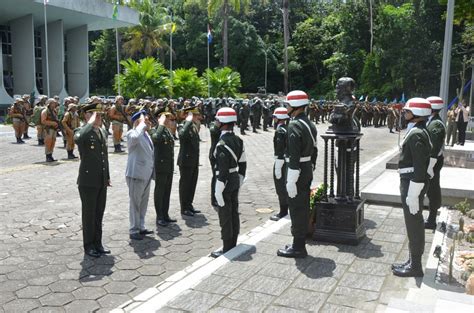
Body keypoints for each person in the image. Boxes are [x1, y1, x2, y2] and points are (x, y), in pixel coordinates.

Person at [391, 98, 431, 277]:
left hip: (412, 182)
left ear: (417, 114)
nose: (404, 113)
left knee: (414, 222)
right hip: (411, 180)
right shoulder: (417, 130)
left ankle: (415, 266)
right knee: (412, 221)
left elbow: (420, 166)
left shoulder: (416, 134)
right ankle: (412, 260)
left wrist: (413, 193)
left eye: (407, 110)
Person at [277, 90, 317, 258]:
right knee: (303, 204)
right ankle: (298, 243)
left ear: (294, 106)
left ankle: (298, 246)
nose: (286, 107)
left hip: (297, 170)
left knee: (296, 207)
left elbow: (293, 154)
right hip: (306, 167)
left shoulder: (294, 125)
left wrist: (291, 180)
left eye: (287, 104)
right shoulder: (309, 123)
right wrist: (310, 166)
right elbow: (314, 150)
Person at [74, 102, 111, 258]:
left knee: (99, 213)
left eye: (100, 115)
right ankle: (88, 245)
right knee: (89, 215)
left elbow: (104, 157)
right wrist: (89, 123)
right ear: (87, 116)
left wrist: (107, 176)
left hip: (101, 180)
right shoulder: (81, 131)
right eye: (95, 114)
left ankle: (98, 242)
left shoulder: (101, 131)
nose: (99, 117)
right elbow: (78, 139)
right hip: (87, 181)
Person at [211, 107, 247, 258]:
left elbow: (223, 169)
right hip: (234, 179)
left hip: (224, 181)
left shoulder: (222, 144)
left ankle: (227, 246)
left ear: (223, 122)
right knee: (234, 211)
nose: (216, 122)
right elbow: (243, 162)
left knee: (225, 213)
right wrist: (240, 178)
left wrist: (218, 188)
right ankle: (234, 240)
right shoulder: (238, 140)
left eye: (218, 120)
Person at [125, 110, 155, 240]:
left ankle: (141, 226)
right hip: (136, 174)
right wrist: (141, 123)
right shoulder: (132, 133)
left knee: (143, 202)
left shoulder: (146, 135)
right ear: (138, 122)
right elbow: (135, 138)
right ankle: (133, 229)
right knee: (135, 203)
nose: (147, 123)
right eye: (145, 120)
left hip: (146, 173)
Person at [151, 110, 177, 227]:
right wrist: (161, 125)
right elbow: (156, 139)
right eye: (165, 118)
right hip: (160, 166)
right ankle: (159, 216)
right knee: (160, 191)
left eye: (168, 117)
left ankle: (165, 214)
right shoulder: (155, 129)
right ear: (159, 118)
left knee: (167, 191)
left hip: (168, 165)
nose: (168, 120)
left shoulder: (166, 130)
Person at [425, 96, 446, 230]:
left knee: (432, 189)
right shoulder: (432, 121)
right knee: (430, 188)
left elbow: (435, 148)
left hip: (433, 161)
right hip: (432, 161)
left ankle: (432, 219)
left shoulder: (436, 124)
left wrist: (430, 167)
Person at [177, 106, 202, 217]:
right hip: (186, 161)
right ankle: (184, 207)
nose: (198, 117)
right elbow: (182, 136)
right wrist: (187, 121)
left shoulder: (193, 126)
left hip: (193, 160)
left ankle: (189, 204)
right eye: (195, 115)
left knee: (192, 184)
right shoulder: (183, 125)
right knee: (185, 185)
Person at [270, 107, 289, 221]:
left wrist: (277, 165)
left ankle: (283, 211)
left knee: (280, 186)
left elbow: (279, 149)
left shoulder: (280, 131)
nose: (274, 119)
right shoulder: (287, 128)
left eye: (275, 117)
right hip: (287, 160)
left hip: (281, 161)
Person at [209, 120, 221, 207]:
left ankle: (220, 196)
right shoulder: (213, 125)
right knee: (216, 176)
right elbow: (214, 131)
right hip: (214, 154)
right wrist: (218, 124)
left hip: (222, 154)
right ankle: (214, 199)